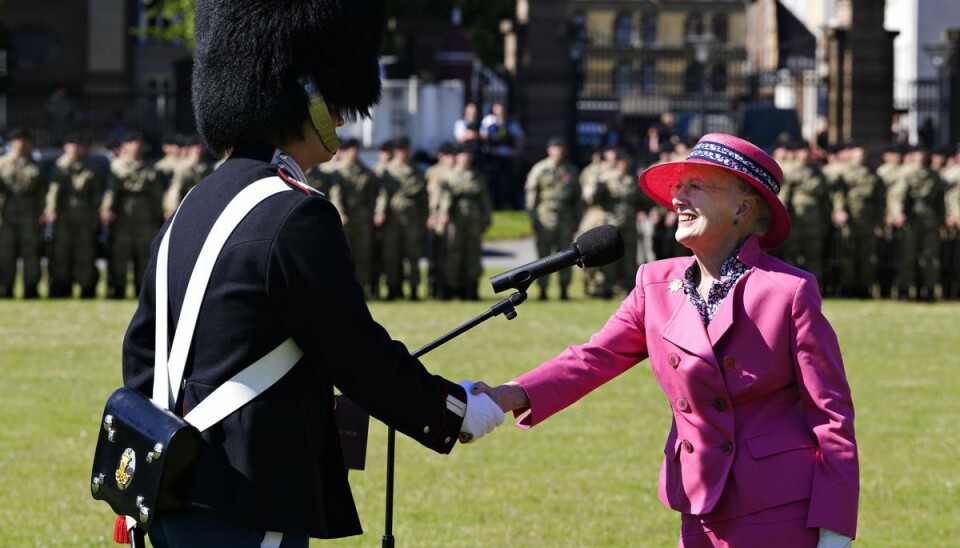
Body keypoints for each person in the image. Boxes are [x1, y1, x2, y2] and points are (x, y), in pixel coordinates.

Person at [120, 1, 504, 544]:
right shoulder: (295, 212)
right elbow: (355, 352)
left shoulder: (192, 204)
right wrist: (453, 411)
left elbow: (142, 354)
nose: (344, 118)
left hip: (169, 488)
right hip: (248, 498)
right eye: (334, 100)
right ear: (301, 94)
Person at [473, 134, 859, 547]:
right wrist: (505, 396)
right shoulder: (653, 283)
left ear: (743, 208)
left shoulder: (788, 291)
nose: (678, 198)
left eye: (696, 186)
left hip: (779, 507)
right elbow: (593, 358)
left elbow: (831, 414)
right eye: (678, 187)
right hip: (697, 501)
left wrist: (834, 527)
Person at [100, 131, 165, 298]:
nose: (136, 146)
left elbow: (157, 194)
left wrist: (161, 213)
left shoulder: (150, 167)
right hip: (124, 216)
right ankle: (118, 288)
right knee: (120, 254)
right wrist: (107, 209)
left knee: (144, 254)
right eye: (132, 142)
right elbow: (111, 191)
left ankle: (141, 290)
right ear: (124, 146)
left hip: (145, 216)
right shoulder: (116, 166)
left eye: (138, 142)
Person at [42, 132, 105, 298]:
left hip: (84, 218)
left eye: (78, 145)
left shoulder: (91, 168)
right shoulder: (59, 167)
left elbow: (97, 195)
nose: (75, 148)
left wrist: (95, 217)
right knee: (61, 254)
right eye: (71, 144)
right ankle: (61, 288)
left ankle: (87, 288)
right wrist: (50, 210)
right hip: (63, 219)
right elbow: (52, 191)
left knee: (85, 255)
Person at [525, 137, 582, 300]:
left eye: (561, 147)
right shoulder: (540, 169)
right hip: (545, 216)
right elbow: (532, 195)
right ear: (549, 150)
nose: (559, 151)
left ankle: (564, 289)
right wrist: (533, 217)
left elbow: (577, 197)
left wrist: (577, 219)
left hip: (565, 217)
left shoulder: (570, 170)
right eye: (555, 147)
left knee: (566, 255)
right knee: (544, 257)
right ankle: (543, 290)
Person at [0, 128, 45, 298]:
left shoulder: (35, 164)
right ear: (12, 143)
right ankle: (6, 287)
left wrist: (42, 213)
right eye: (18, 140)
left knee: (31, 253)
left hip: (29, 214)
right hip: (6, 214)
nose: (22, 144)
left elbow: (42, 192)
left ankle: (31, 287)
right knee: (5, 253)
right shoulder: (2, 163)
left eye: (25, 140)